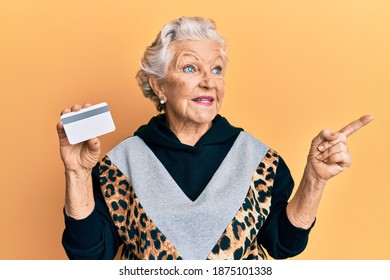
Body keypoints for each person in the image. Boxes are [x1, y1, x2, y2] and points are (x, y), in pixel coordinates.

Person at [57, 16, 373, 260]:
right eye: (191, 68)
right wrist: (77, 173)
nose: (209, 81)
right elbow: (89, 257)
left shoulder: (260, 160)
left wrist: (314, 180)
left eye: (217, 69)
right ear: (159, 86)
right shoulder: (121, 164)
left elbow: (283, 245)